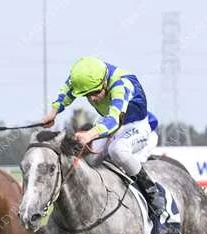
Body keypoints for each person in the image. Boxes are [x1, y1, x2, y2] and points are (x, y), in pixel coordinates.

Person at [41, 56, 165, 217]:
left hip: (135, 125)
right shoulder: (84, 78)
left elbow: (113, 120)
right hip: (109, 124)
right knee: (86, 157)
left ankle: (152, 193)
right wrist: (53, 112)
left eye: (96, 92)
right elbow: (67, 90)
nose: (92, 98)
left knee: (117, 150)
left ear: (105, 81)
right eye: (87, 95)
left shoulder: (122, 84)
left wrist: (89, 135)